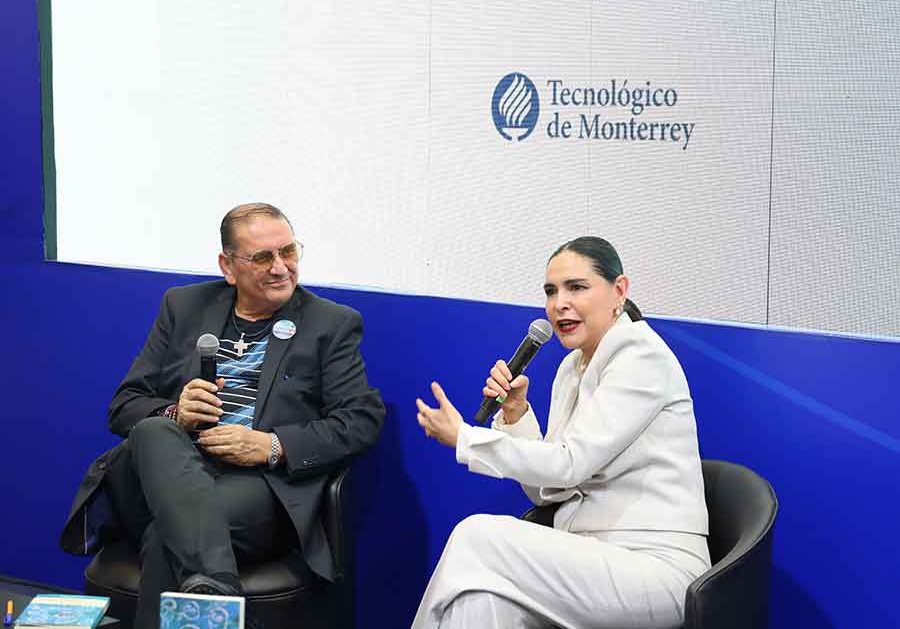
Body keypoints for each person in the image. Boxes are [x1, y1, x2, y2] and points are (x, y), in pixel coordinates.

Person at [60, 203, 385, 629]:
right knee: (157, 430)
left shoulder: (331, 324)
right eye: (263, 257)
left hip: (253, 488)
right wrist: (177, 412)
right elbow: (124, 405)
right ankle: (219, 591)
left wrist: (271, 445)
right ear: (227, 266)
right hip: (157, 480)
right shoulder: (183, 306)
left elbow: (361, 420)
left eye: (288, 252)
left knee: (168, 538)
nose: (280, 267)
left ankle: (210, 586)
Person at [412, 236, 710, 629]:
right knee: (481, 601)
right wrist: (516, 413)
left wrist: (466, 438)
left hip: (654, 569)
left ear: (619, 290)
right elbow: (549, 490)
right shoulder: (571, 369)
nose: (559, 304)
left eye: (577, 288)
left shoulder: (642, 356)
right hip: (586, 558)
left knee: (476, 535)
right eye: (551, 291)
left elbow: (567, 464)